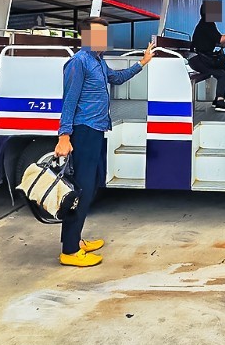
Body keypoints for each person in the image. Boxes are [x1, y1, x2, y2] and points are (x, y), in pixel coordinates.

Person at [54, 17, 154, 267]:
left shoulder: (97, 60)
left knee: (90, 186)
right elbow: (69, 101)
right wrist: (64, 136)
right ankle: (69, 251)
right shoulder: (78, 62)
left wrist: (142, 63)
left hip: (97, 128)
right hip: (83, 131)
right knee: (80, 190)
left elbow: (117, 78)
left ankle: (74, 240)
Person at [190, 1, 225, 112]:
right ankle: (220, 102)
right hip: (198, 60)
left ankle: (217, 100)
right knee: (222, 74)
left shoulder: (207, 24)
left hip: (201, 58)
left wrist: (224, 41)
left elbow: (218, 41)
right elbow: (220, 39)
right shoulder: (206, 24)